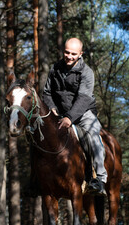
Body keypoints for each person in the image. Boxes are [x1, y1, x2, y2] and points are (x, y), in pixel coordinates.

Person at [42, 37, 107, 195]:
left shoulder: (87, 72)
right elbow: (47, 93)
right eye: (66, 52)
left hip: (84, 113)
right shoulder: (55, 69)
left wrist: (70, 118)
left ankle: (100, 179)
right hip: (60, 113)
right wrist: (52, 108)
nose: (69, 56)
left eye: (73, 53)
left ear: (80, 54)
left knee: (93, 135)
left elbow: (84, 98)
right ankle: (36, 181)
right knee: (40, 136)